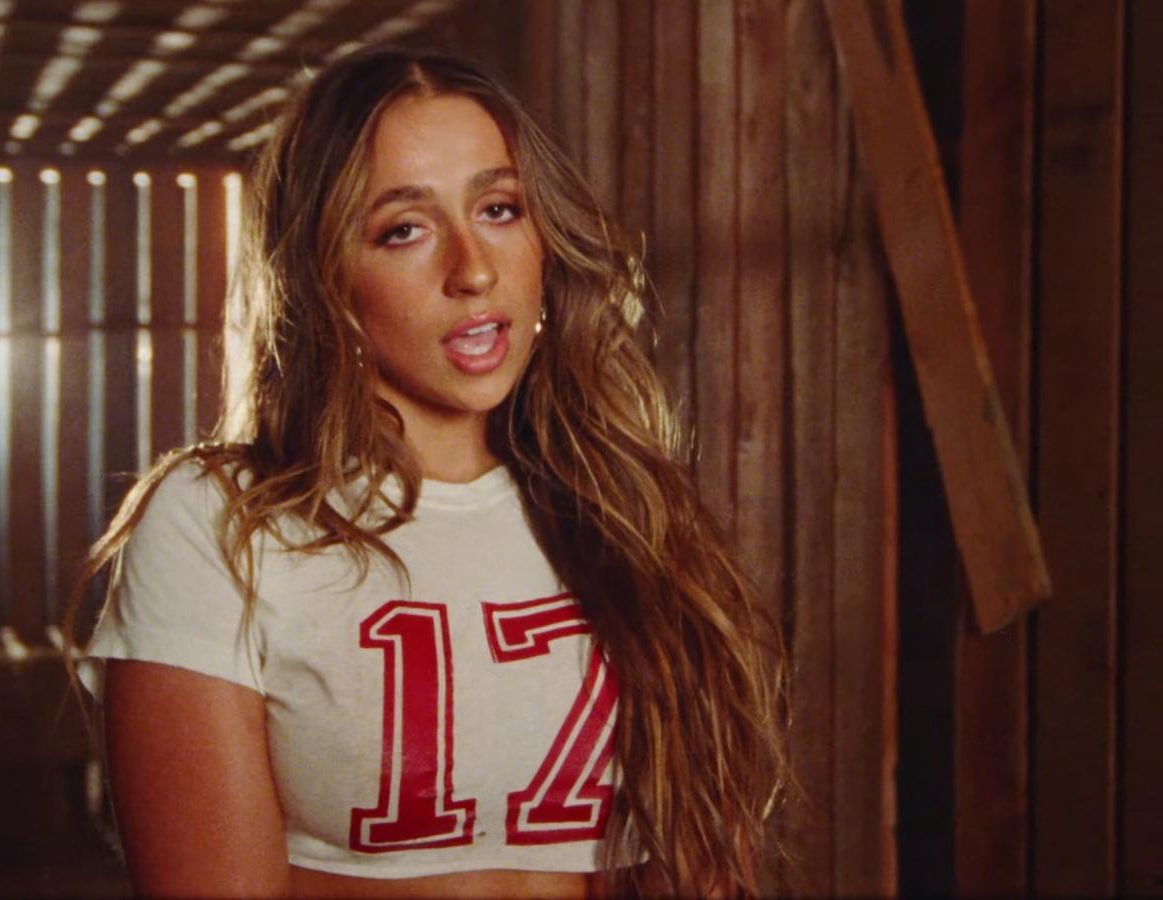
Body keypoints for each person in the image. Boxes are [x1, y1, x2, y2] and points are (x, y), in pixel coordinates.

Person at [71, 46, 788, 898]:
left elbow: (706, 863)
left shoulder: (629, 510)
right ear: (324, 271)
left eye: (498, 208)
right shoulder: (220, 526)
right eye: (403, 229)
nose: (473, 269)